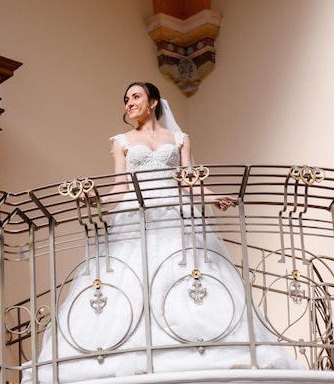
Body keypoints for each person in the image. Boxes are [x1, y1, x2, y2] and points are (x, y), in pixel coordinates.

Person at [21, 82, 304, 383]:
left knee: (189, 272)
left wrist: (213, 197)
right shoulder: (122, 141)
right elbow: (120, 186)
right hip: (136, 214)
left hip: (175, 213)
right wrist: (96, 202)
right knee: (131, 277)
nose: (129, 103)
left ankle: (199, 344)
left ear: (153, 102)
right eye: (126, 99)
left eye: (136, 97)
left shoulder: (179, 139)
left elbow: (189, 178)